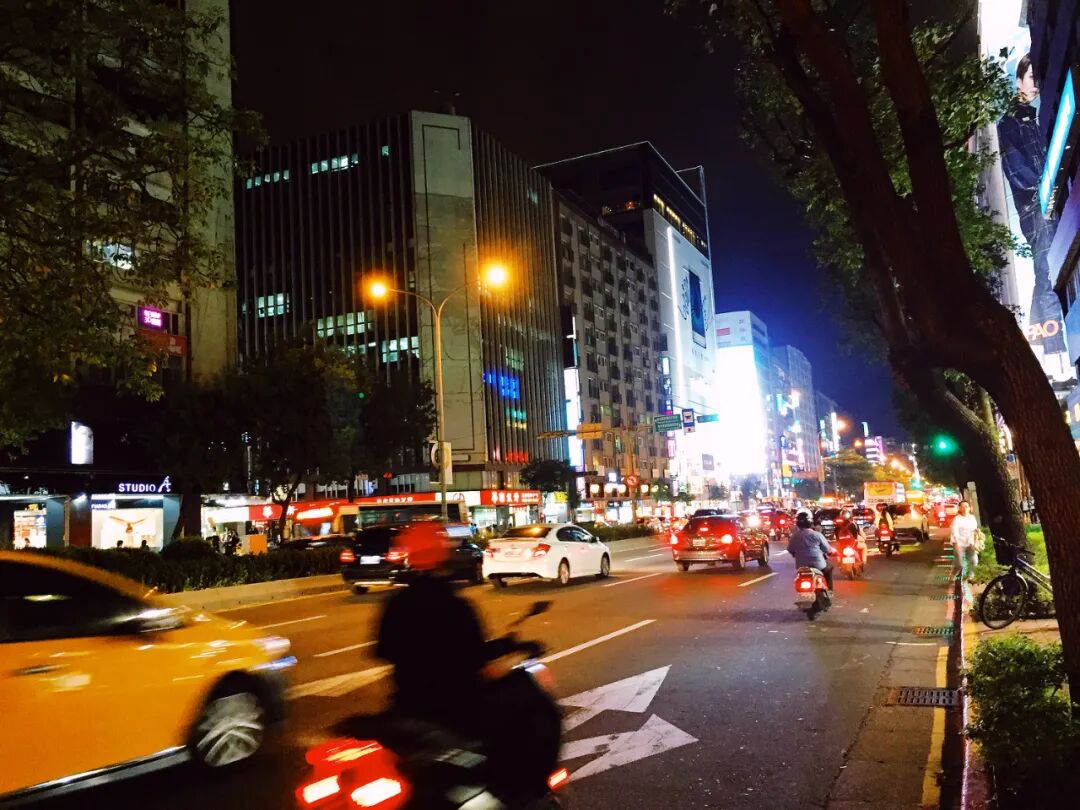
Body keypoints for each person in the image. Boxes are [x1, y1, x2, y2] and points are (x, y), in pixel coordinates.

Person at [375, 522, 489, 738]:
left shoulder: (397, 603)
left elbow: (384, 650)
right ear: (444, 557)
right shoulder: (455, 605)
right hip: (457, 709)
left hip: (408, 704)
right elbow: (476, 655)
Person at [788, 512, 836, 591]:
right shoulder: (817, 535)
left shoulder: (794, 536)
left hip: (801, 566)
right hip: (818, 564)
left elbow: (790, 549)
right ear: (810, 522)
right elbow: (827, 549)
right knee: (829, 569)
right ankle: (829, 590)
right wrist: (831, 552)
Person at [950, 501, 983, 583]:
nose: (965, 508)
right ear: (960, 508)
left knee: (974, 561)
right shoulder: (957, 519)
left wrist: (977, 534)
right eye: (963, 506)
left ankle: (970, 576)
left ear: (969, 508)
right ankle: (953, 575)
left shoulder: (972, 518)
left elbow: (974, 529)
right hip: (959, 543)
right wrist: (957, 543)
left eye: (967, 506)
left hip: (970, 542)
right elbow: (954, 531)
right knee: (960, 564)